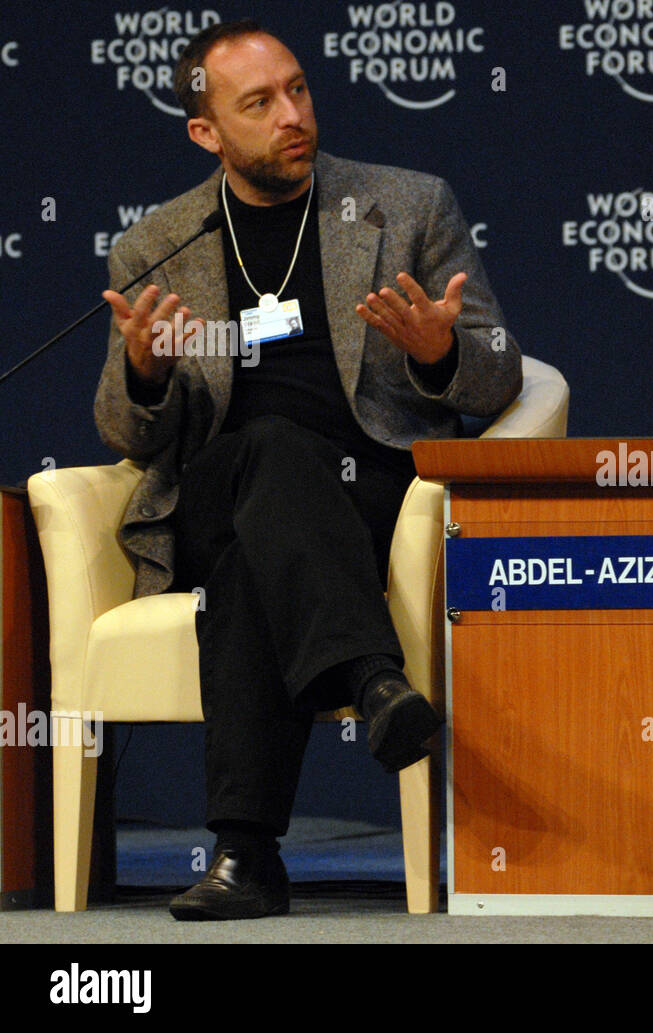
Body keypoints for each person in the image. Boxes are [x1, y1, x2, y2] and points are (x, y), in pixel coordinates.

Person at [93, 20, 523, 920]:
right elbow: (124, 431)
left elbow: (501, 368)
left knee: (260, 560)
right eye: (260, 102)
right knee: (270, 450)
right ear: (206, 132)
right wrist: (144, 371)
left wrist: (441, 352)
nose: (293, 114)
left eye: (299, 89)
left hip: (371, 491)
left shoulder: (407, 207)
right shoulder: (159, 245)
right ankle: (372, 675)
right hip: (220, 487)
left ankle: (247, 857)